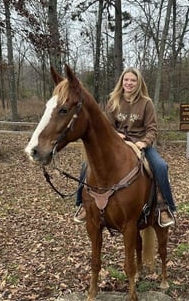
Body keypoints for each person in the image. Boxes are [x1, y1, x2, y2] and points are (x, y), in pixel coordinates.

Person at [74, 67, 177, 227]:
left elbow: (152, 128)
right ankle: (83, 205)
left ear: (138, 83)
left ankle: (165, 207)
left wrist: (144, 142)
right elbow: (106, 126)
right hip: (116, 145)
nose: (129, 83)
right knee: (86, 165)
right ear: (122, 82)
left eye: (133, 80)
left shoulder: (146, 103)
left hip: (140, 144)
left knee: (160, 166)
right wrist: (115, 135)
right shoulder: (113, 101)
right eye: (126, 80)